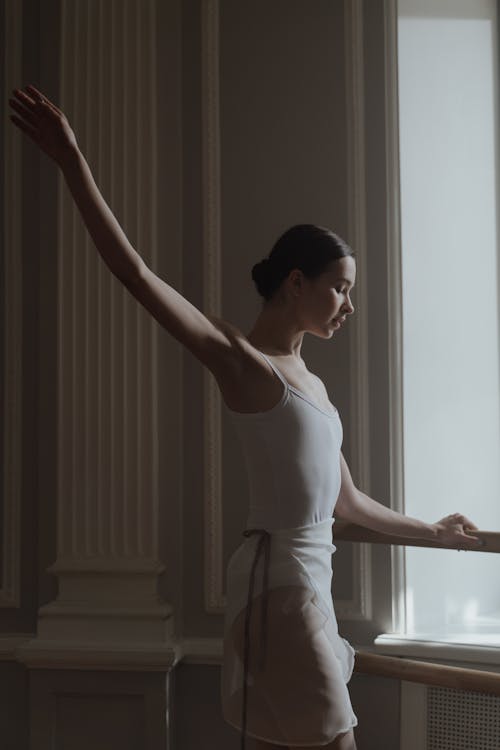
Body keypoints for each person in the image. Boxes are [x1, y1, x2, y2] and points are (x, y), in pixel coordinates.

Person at [8, 85, 484, 750]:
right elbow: (136, 275)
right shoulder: (244, 362)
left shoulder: (312, 385)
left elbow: (344, 502)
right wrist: (72, 161)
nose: (348, 304)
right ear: (297, 282)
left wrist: (434, 531)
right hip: (279, 594)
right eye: (340, 286)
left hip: (302, 593)